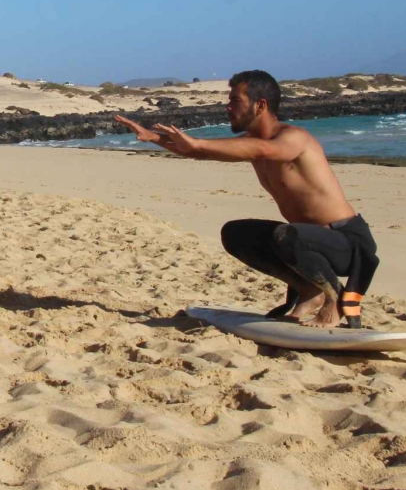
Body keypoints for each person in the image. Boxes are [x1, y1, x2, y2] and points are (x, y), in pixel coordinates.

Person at [115, 70, 378, 328]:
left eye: (235, 101)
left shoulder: (293, 138)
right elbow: (201, 152)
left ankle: (334, 300)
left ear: (260, 105)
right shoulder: (251, 143)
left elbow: (265, 150)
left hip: (345, 243)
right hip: (305, 243)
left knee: (286, 236)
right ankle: (309, 288)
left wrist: (196, 144)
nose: (228, 108)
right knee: (235, 233)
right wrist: (154, 137)